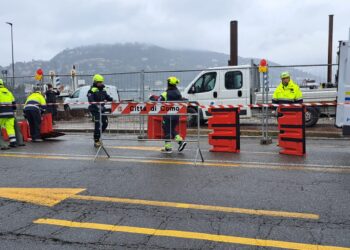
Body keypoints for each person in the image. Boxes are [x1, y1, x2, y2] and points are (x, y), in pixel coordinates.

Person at [158, 76, 187, 153]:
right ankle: (181, 142)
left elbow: (158, 101)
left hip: (168, 116)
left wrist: (152, 97)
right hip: (176, 115)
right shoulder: (178, 93)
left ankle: (168, 148)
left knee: (166, 130)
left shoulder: (165, 93)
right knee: (172, 130)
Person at [87, 74, 113, 147]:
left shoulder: (103, 90)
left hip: (102, 110)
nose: (100, 83)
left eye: (101, 82)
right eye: (99, 82)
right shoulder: (92, 90)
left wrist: (112, 99)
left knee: (105, 123)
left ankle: (99, 135)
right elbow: (90, 100)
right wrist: (97, 105)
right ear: (95, 82)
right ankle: (96, 140)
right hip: (95, 110)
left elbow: (108, 97)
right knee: (97, 125)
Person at [0, 79, 18, 147]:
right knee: (10, 128)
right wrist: (14, 111)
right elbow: (14, 104)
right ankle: (13, 143)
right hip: (10, 114)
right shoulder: (9, 92)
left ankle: (2, 144)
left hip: (1, 114)